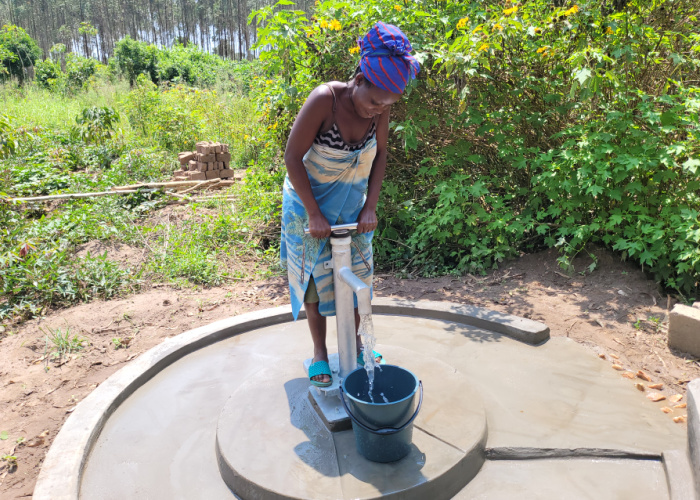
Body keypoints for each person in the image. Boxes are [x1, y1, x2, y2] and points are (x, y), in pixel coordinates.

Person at [281, 22, 420, 387]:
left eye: (388, 104)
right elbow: (292, 157)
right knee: (313, 281)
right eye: (374, 101)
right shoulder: (324, 100)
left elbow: (381, 154)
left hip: (354, 208)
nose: (379, 109)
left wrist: (370, 207)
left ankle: (361, 347)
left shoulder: (380, 106)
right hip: (308, 204)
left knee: (360, 278)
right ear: (359, 79)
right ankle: (319, 354)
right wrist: (314, 214)